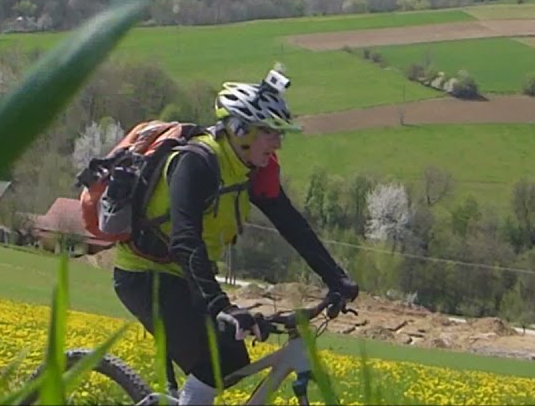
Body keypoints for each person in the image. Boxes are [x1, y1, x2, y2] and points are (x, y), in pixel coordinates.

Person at [112, 66, 359, 405]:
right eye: (269, 132)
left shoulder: (251, 167)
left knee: (232, 360)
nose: (278, 142)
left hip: (186, 276)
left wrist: (337, 278)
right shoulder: (196, 163)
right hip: (145, 275)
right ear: (240, 129)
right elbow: (185, 240)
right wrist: (220, 305)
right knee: (215, 366)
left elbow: (291, 224)